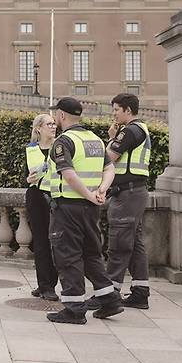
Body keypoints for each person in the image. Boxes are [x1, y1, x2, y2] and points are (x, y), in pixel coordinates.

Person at [46, 97, 123, 325]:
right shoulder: (96, 140)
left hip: (68, 207)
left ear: (61, 115)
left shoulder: (64, 141)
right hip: (90, 209)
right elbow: (110, 169)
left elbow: (68, 175)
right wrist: (101, 191)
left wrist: (90, 194)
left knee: (67, 256)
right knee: (91, 254)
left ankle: (74, 308)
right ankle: (109, 299)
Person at [90, 93, 152, 310]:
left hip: (127, 194)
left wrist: (111, 138)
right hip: (134, 193)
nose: (113, 113)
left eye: (116, 109)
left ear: (127, 110)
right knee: (135, 244)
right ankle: (140, 292)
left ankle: (109, 294)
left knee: (119, 244)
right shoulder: (140, 129)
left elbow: (107, 159)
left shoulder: (130, 131)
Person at [23, 113, 59, 301]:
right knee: (41, 242)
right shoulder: (30, 149)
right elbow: (25, 176)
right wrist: (27, 179)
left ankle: (51, 283)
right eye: (49, 124)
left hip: (56, 196)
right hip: (37, 197)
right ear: (39, 128)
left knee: (56, 242)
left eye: (54, 124)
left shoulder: (61, 146)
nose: (53, 127)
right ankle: (45, 285)